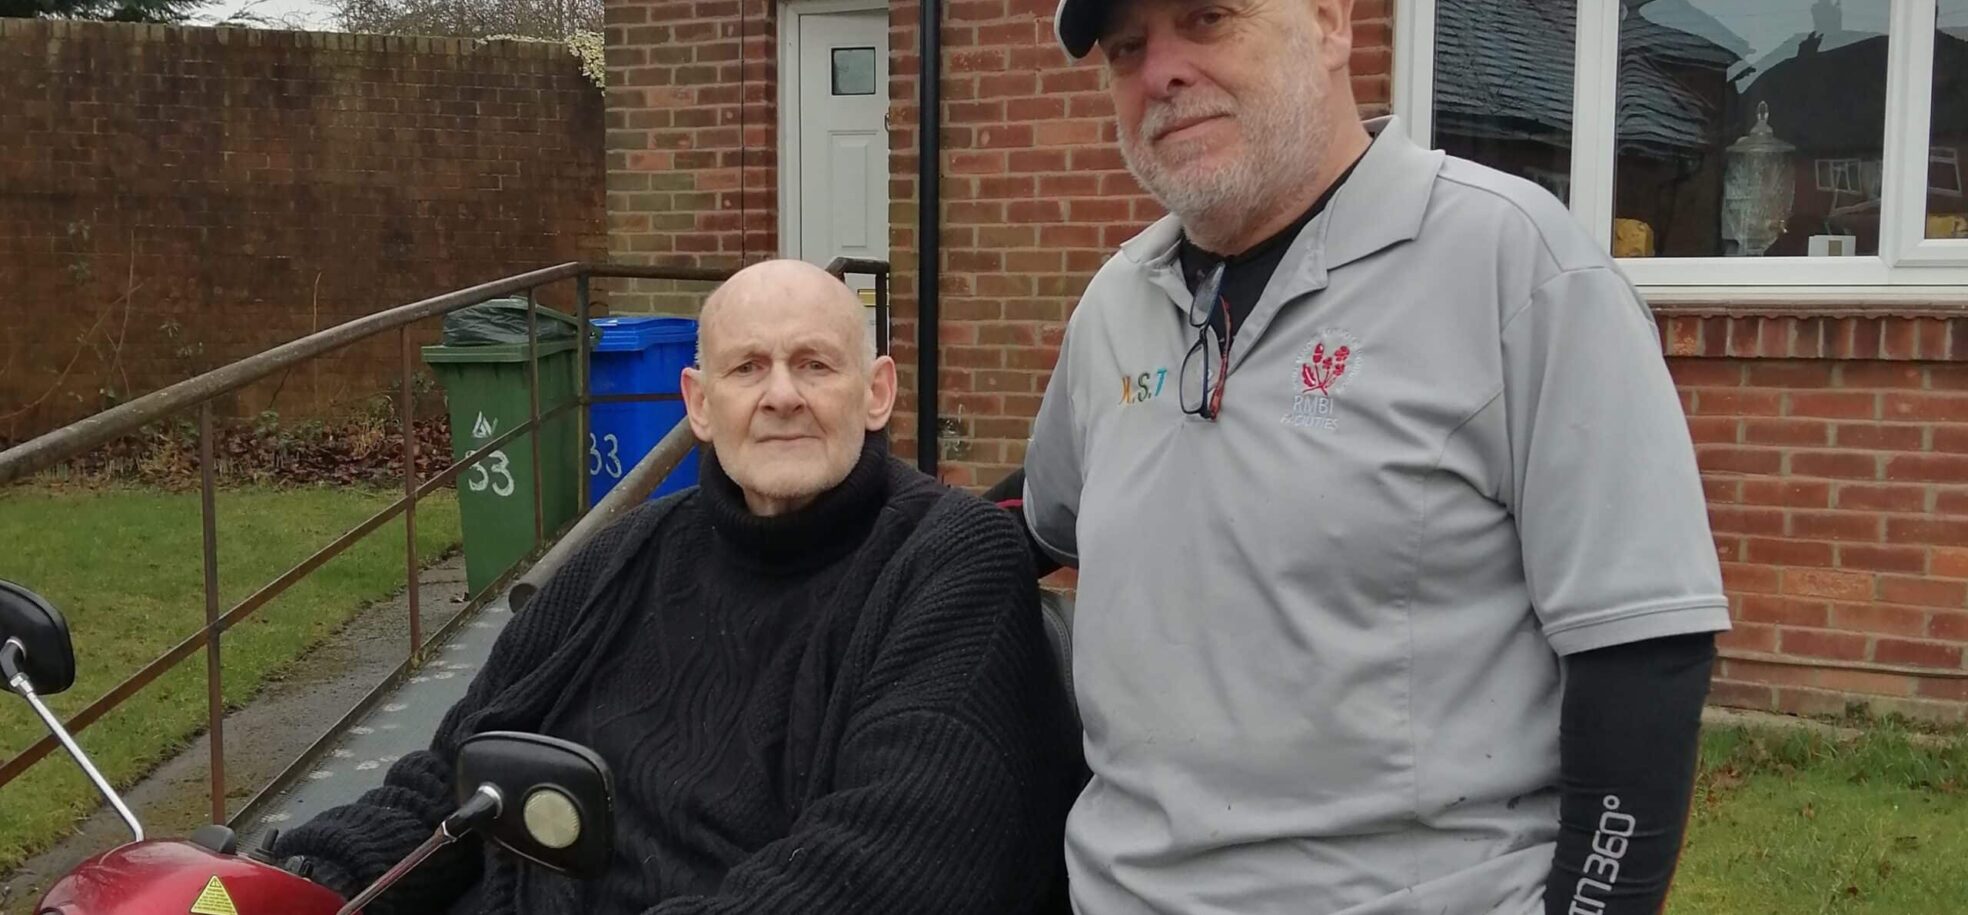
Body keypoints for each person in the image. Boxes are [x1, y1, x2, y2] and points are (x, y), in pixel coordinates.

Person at [992, 0, 1733, 912]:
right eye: (1126, 49)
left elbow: (1643, 652)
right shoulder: (1117, 304)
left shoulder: (1514, 265)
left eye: (1208, 18)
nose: (1161, 72)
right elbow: (1037, 520)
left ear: (1330, 22)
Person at [272, 259, 1081, 914]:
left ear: (876, 393)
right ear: (699, 403)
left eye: (814, 364)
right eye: (748, 367)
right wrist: (302, 879)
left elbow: (893, 864)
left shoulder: (946, 560)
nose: (781, 395)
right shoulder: (624, 555)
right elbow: (455, 775)